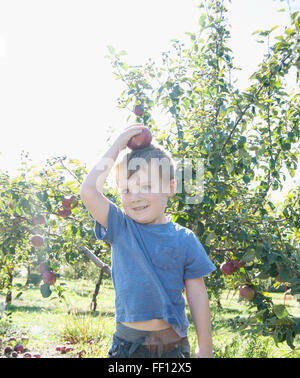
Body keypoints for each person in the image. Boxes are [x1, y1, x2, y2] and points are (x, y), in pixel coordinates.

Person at [80, 124, 216, 358]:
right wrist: (117, 145)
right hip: (128, 347)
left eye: (147, 186)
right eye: (127, 189)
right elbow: (89, 191)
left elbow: (197, 295)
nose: (136, 197)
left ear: (170, 187)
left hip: (173, 347)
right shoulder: (120, 227)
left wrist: (205, 348)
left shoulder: (184, 239)